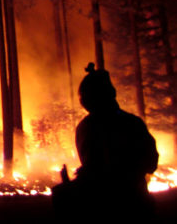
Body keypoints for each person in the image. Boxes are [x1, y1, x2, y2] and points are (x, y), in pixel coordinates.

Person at [52, 63, 159, 220]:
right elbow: (151, 163)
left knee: (62, 195)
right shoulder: (132, 122)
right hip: (132, 199)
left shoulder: (87, 126)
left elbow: (96, 166)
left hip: (109, 203)